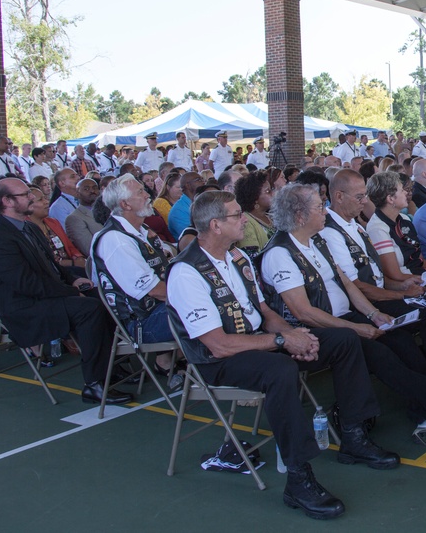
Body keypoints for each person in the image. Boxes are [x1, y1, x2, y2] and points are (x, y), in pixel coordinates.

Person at [167, 190, 398, 519]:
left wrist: (291, 334)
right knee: (279, 370)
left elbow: (264, 312)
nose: (244, 218)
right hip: (219, 363)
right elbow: (218, 345)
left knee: (343, 339)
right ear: (215, 225)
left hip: (259, 343)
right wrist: (280, 341)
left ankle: (353, 435)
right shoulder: (187, 272)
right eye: (236, 215)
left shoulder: (238, 258)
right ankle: (298, 478)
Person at [257, 183, 426, 444]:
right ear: (299, 216)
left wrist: (374, 315)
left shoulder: (314, 241)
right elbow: (303, 312)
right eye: (319, 208)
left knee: (404, 345)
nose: (325, 213)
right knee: (384, 356)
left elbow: (347, 284)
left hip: (347, 319)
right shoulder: (280, 253)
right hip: (322, 330)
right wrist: (356, 327)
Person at [0, 178, 132, 405]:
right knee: (89, 309)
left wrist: (74, 280)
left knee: (104, 296)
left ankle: (111, 366)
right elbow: (27, 284)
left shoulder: (29, 227)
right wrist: (70, 292)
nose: (32, 197)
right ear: (7, 201)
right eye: (25, 195)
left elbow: (52, 267)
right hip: (25, 307)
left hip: (45, 295)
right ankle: (94, 383)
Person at [90, 174, 179, 376]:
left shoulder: (140, 230)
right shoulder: (116, 240)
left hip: (160, 311)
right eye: (140, 191)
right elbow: (156, 291)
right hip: (142, 323)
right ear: (125, 204)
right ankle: (215, 373)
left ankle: (172, 361)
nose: (148, 194)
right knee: (212, 307)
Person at [366, 172, 426, 284]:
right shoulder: (378, 229)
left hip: (420, 274)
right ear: (390, 199)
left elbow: (419, 258)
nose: (406, 192)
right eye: (402, 190)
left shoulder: (404, 219)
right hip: (407, 282)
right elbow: (394, 274)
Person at [27, 187, 88, 279]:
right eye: (40, 199)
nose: (46, 202)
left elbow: (70, 246)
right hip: (54, 272)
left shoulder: (52, 222)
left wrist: (78, 257)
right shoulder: (26, 229)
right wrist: (71, 263)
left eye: (45, 198)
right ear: (28, 206)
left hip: (73, 265)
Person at [235, 169, 275, 253]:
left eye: (271, 189)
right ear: (255, 197)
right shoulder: (246, 222)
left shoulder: (271, 216)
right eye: (268, 191)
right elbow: (253, 256)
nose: (273, 194)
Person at [65, 178, 103, 257]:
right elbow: (90, 249)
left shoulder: (107, 209)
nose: (92, 191)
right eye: (86, 189)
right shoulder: (74, 218)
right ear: (77, 194)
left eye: (95, 187)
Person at [167, 172, 201, 239]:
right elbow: (193, 237)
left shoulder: (199, 202)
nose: (203, 182)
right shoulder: (178, 211)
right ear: (188, 185)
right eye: (198, 180)